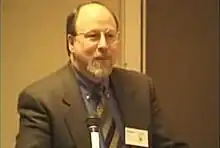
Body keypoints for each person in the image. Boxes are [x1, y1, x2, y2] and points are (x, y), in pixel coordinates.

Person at [15, 1, 188, 148]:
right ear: (71, 43)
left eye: (110, 36)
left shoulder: (140, 88)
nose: (104, 45)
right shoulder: (41, 100)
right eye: (93, 36)